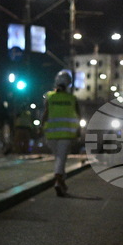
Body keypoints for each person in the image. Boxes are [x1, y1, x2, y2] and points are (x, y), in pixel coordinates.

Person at [43, 69, 80, 197]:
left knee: (59, 158)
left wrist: (40, 127)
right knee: (61, 158)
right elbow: (78, 116)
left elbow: (45, 113)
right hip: (66, 134)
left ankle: (61, 182)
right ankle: (58, 180)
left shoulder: (50, 96)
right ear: (69, 84)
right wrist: (78, 131)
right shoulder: (72, 98)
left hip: (51, 134)